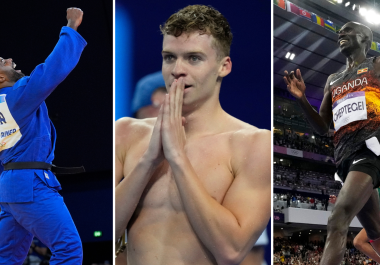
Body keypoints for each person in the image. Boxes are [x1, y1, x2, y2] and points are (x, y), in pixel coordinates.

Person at [115, 4, 271, 265]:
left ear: (224, 66)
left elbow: (231, 251)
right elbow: (101, 233)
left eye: (194, 58)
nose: (177, 69)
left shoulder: (253, 144)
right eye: (169, 57)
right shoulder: (126, 132)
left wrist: (177, 157)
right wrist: (148, 161)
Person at [284, 21, 380, 265]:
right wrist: (302, 99)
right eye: (340, 31)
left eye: (348, 31)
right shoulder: (333, 80)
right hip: (344, 158)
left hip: (370, 151)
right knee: (376, 230)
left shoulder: (376, 66)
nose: (342, 34)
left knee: (338, 219)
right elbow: (322, 127)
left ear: (365, 39)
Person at [0, 8, 86, 264]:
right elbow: (51, 70)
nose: (9, 59)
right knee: (69, 249)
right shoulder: (16, 97)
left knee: (7, 259)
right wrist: (71, 26)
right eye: (3, 61)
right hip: (30, 184)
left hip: (8, 189)